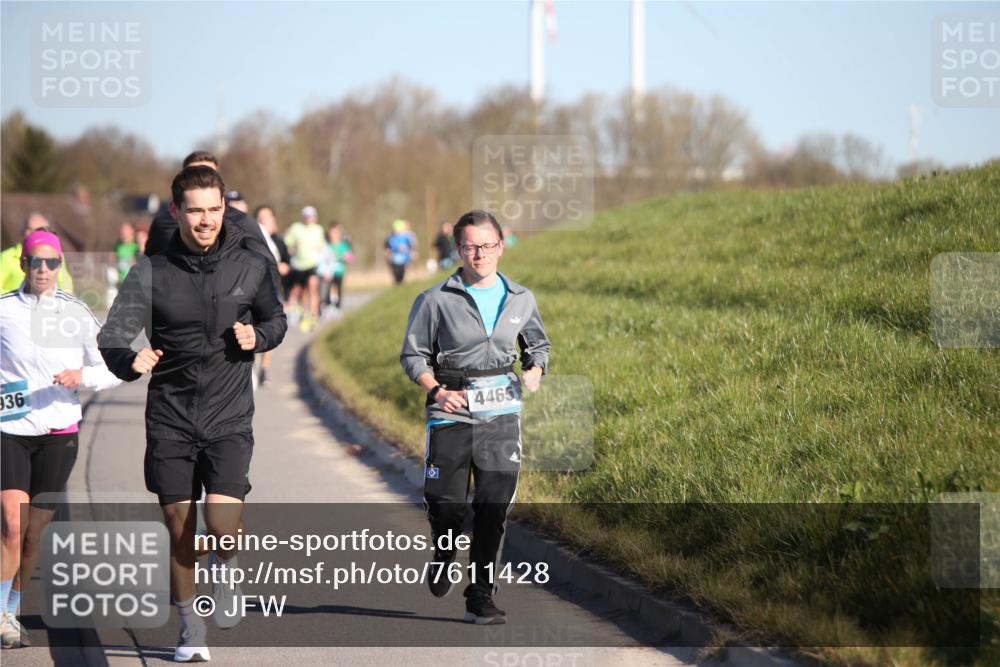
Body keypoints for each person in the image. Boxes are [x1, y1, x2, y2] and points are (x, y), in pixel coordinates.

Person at [98, 166, 287, 662]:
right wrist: (128, 360)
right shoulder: (152, 272)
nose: (206, 220)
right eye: (196, 210)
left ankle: (226, 568)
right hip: (171, 418)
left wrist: (259, 337)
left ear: (226, 208)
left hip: (229, 417)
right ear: (176, 211)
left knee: (222, 526)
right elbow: (113, 335)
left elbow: (275, 318)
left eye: (215, 209)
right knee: (180, 530)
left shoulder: (251, 265)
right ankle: (190, 630)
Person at [400, 210, 550, 625]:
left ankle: (480, 594)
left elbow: (537, 345)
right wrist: (436, 390)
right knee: (446, 505)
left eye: (487, 245)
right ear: (458, 250)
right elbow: (413, 355)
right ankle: (445, 547)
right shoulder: (435, 299)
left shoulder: (521, 298)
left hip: (501, 411)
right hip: (451, 408)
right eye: (470, 246)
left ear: (501, 246)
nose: (479, 254)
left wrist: (535, 369)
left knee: (493, 507)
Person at [1, 230, 121, 649]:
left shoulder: (75, 313)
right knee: (13, 525)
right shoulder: (4, 311)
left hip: (60, 433)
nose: (44, 269)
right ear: (23, 264)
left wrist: (82, 377)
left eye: (53, 262)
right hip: (11, 430)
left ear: (60, 267)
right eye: (37, 261)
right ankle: (2, 615)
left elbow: (113, 368)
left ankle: (14, 601)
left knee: (35, 533)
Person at [253, 205, 290, 386]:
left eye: (268, 218)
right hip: (253, 290)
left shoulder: (278, 241)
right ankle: (251, 365)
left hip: (273, 290)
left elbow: (287, 263)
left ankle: (264, 369)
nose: (266, 221)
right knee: (253, 328)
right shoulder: (249, 238)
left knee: (272, 327)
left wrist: (282, 267)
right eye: (262, 218)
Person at [0, 213, 74, 294]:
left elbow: (66, 286)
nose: (34, 233)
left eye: (39, 230)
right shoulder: (6, 257)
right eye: (29, 229)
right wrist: (18, 298)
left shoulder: (56, 257)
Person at [283, 206, 325, 331]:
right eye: (306, 216)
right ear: (303, 216)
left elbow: (321, 246)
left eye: (311, 216)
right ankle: (303, 313)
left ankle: (313, 316)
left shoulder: (318, 229)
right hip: (298, 265)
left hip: (313, 264)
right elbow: (287, 243)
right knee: (299, 290)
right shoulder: (296, 228)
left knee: (313, 287)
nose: (309, 218)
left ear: (315, 217)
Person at [317, 222, 353, 316]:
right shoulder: (327, 246)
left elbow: (350, 258)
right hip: (328, 272)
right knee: (328, 288)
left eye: (335, 233)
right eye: (332, 233)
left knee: (338, 288)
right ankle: (328, 305)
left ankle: (337, 306)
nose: (333, 235)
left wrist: (346, 257)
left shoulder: (343, 245)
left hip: (339, 270)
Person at [385, 219, 418, 285]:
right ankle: (397, 285)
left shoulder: (406, 237)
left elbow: (411, 246)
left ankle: (401, 285)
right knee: (396, 274)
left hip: (404, 259)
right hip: (394, 259)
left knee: (402, 274)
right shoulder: (390, 237)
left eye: (399, 229)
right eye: (396, 229)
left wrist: (413, 253)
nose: (397, 231)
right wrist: (389, 251)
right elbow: (387, 246)